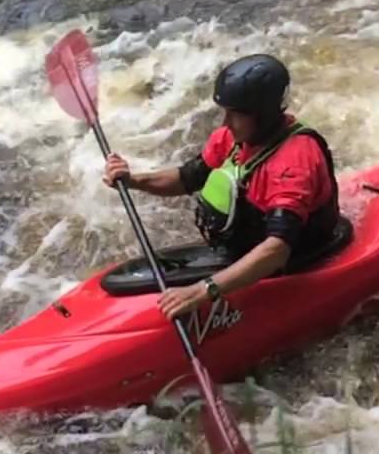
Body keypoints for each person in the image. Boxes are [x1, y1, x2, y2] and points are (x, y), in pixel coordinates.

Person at [102, 53, 340, 321]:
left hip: (299, 254)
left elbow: (277, 249)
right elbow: (186, 178)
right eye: (225, 112)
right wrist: (134, 180)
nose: (225, 122)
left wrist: (203, 291)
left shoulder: (294, 162)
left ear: (264, 115)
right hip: (247, 245)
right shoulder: (233, 138)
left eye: (236, 114)